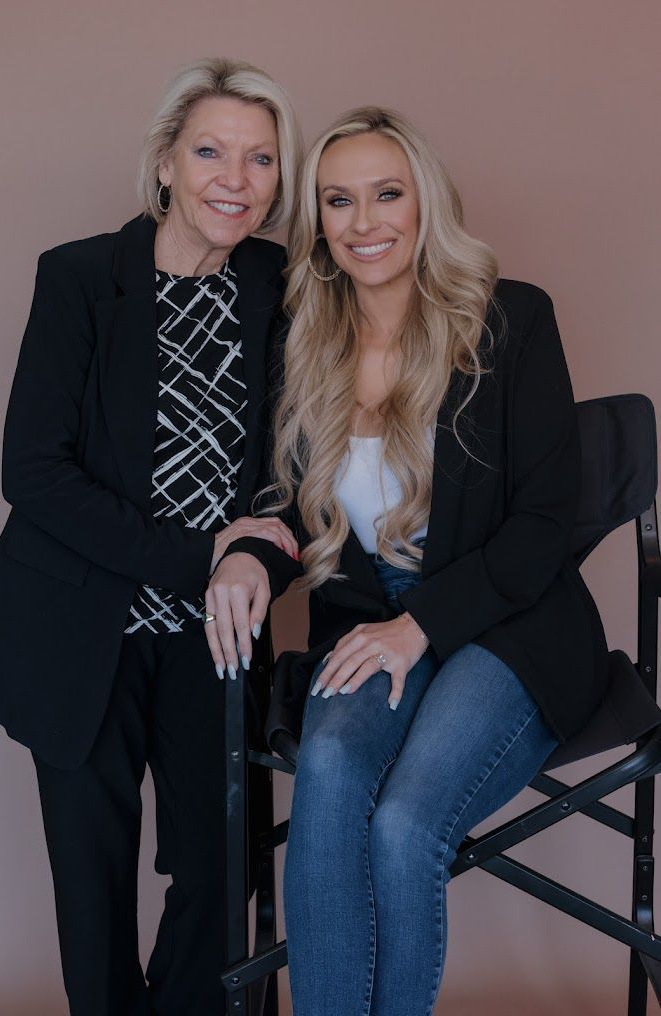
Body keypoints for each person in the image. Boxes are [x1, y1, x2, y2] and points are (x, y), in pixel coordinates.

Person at [204, 106, 609, 1015]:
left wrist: (418, 626)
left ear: (426, 201)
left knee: (405, 824)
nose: (364, 222)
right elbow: (276, 502)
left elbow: (545, 523)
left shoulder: (508, 319)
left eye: (386, 194)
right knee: (331, 781)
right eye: (338, 202)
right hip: (367, 619)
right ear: (317, 225)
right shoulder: (301, 340)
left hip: (511, 623)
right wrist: (242, 554)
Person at [0, 57, 301, 1015]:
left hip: (216, 630)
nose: (233, 181)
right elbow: (31, 472)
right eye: (210, 151)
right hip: (78, 624)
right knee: (93, 878)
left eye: (260, 159)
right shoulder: (81, 278)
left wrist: (253, 550)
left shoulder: (282, 286)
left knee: (218, 867)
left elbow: (298, 470)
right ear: (166, 163)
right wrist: (204, 552)